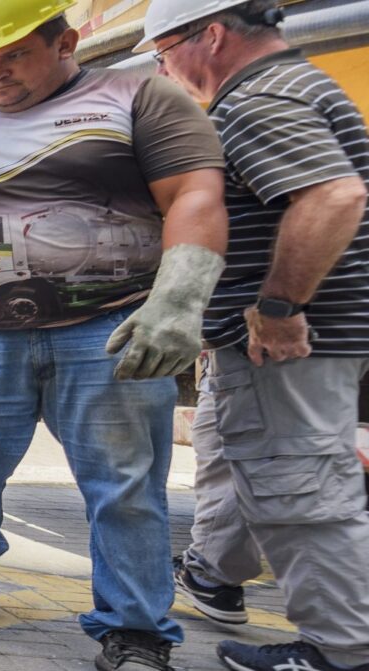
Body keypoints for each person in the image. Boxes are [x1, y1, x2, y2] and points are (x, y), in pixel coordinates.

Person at [0, 1, 231, 668]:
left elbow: (195, 193)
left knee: (125, 482)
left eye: (13, 56)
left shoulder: (136, 98)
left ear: (65, 42)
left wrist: (179, 302)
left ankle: (135, 627)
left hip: (108, 328)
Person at [143, 2, 369, 669]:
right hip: (316, 340)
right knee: (281, 477)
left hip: (292, 344)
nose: (162, 69)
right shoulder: (299, 83)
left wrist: (278, 305)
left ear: (210, 35)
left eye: (164, 51)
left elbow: (334, 196)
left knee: (301, 492)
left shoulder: (256, 98)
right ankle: (222, 575)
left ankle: (341, 651)